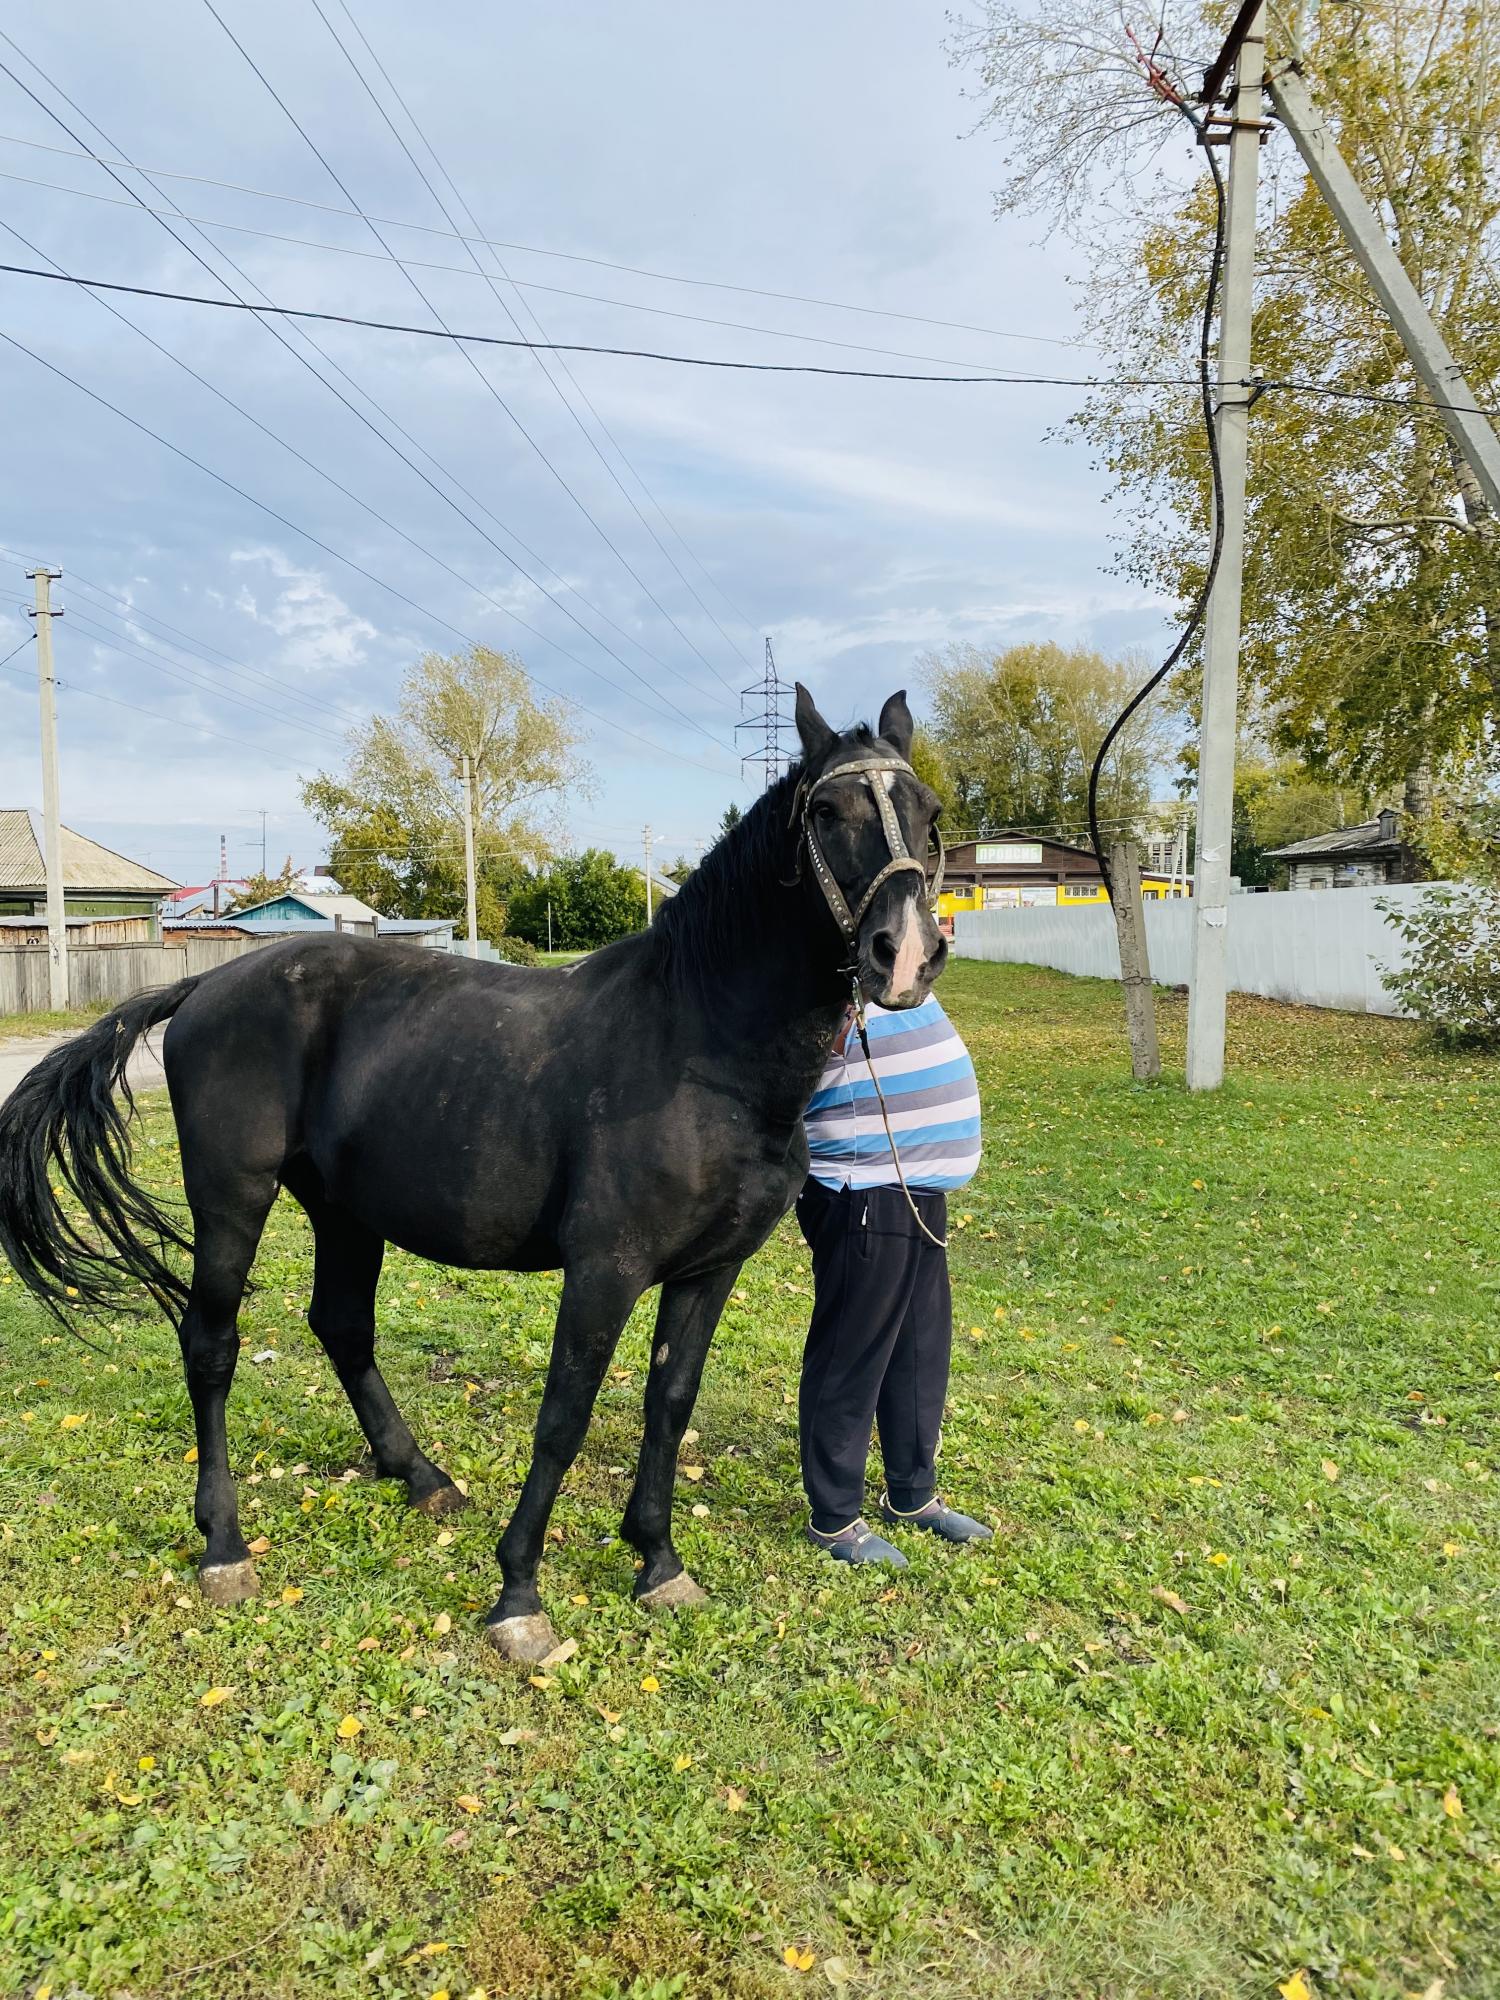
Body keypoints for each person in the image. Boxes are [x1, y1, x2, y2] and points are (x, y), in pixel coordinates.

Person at [795, 989, 991, 1567]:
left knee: (919, 1351)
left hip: (916, 1188)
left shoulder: (887, 968)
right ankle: (833, 1518)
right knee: (850, 1356)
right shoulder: (822, 969)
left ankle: (911, 1494)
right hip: (863, 1187)